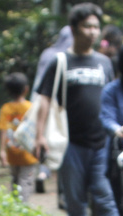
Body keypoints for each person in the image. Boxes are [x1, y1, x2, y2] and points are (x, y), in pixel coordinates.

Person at [35, 3, 123, 216]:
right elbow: (44, 100)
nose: (93, 32)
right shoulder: (60, 61)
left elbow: (111, 98)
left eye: (96, 27)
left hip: (100, 142)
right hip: (70, 143)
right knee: (75, 201)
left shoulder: (104, 62)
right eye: (87, 26)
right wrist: (40, 136)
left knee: (104, 195)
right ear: (74, 29)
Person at [33, 26, 73, 195]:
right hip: (58, 104)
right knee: (59, 138)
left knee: (45, 137)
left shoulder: (47, 53)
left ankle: (43, 172)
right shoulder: (67, 57)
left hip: (40, 98)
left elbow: (38, 79)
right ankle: (59, 182)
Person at [0, 72, 39, 202]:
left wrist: (2, 150)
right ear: (26, 89)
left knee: (15, 180)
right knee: (25, 181)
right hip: (28, 153)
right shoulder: (30, 107)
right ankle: (22, 207)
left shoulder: (6, 108)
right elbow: (36, 128)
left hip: (12, 152)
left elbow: (3, 129)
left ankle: (15, 206)